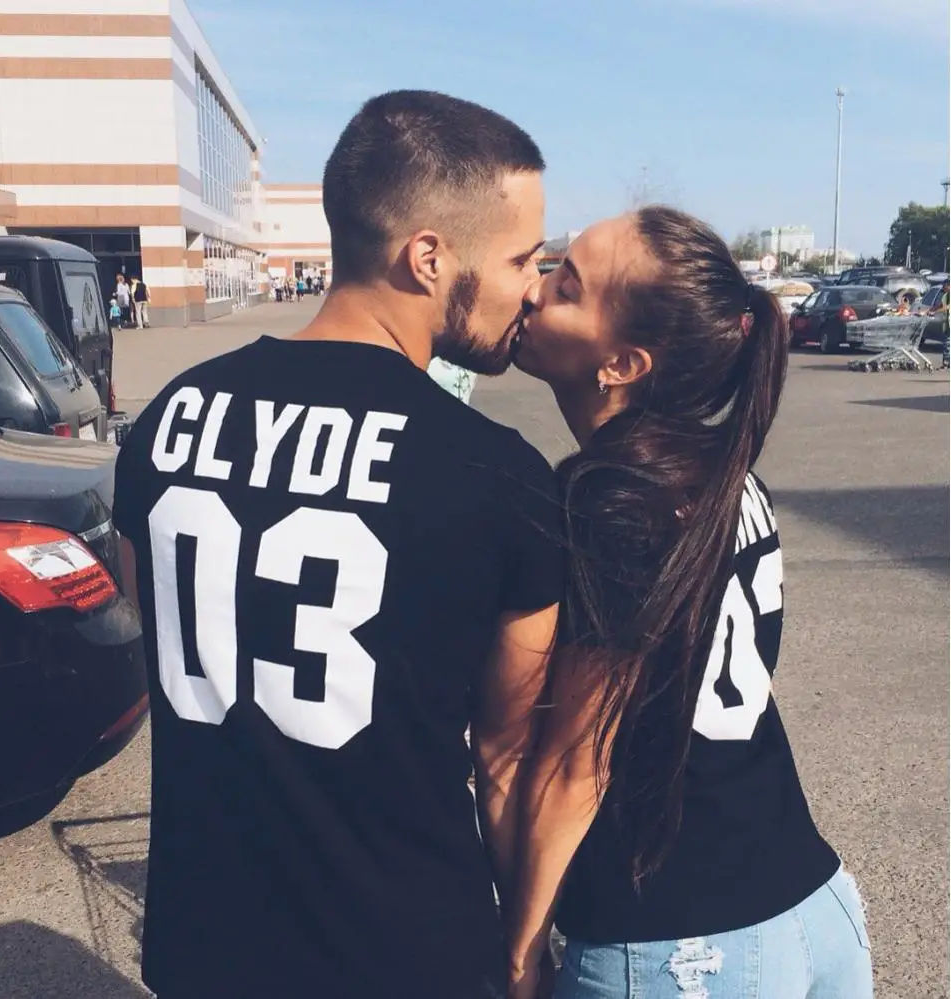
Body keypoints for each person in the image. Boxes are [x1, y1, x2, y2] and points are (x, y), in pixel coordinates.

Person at [112, 90, 563, 999]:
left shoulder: (166, 422)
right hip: (406, 960)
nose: (535, 287)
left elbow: (149, 621)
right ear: (428, 258)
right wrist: (525, 955)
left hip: (206, 949)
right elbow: (505, 759)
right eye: (522, 258)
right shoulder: (498, 474)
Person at [505, 207, 873, 999]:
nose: (534, 290)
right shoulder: (730, 475)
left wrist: (521, 948)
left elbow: (576, 763)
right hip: (814, 905)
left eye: (566, 286)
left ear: (622, 363)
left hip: (684, 947)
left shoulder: (610, 497)